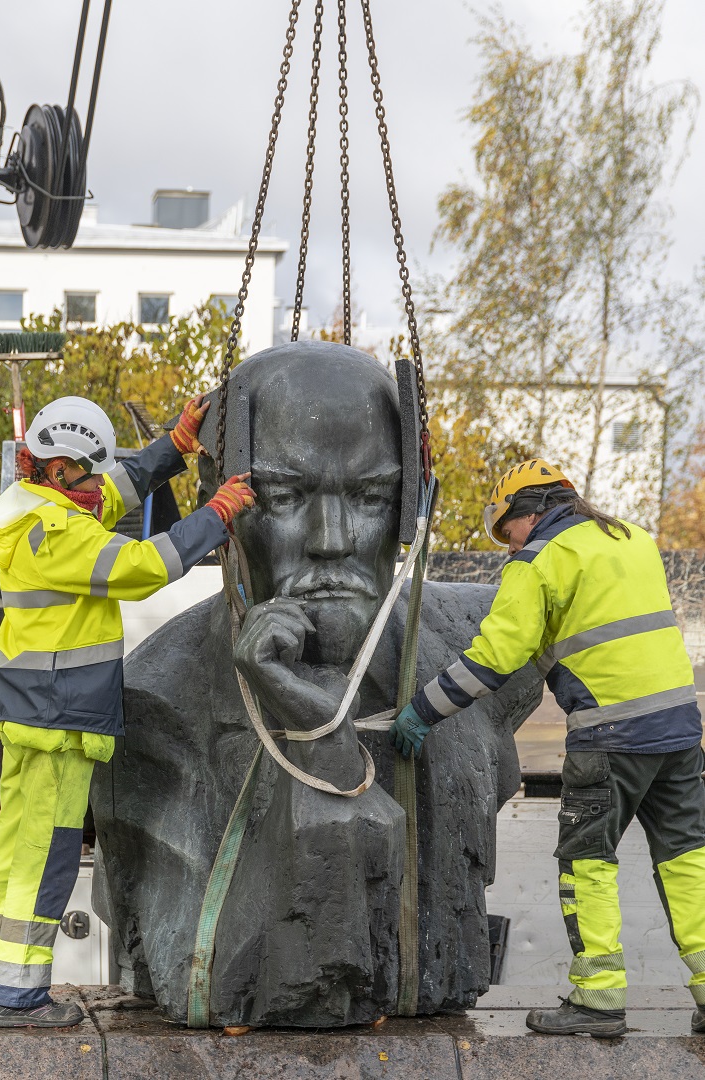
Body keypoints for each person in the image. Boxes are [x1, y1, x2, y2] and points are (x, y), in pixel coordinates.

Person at [90, 341, 542, 1025]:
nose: (332, 539)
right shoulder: (153, 704)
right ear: (224, 506)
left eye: (368, 496)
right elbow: (204, 965)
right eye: (284, 495)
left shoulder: (487, 644)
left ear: (408, 507)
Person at [0, 394, 255, 1029]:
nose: (96, 485)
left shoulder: (42, 509)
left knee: (10, 851)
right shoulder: (55, 534)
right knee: (48, 856)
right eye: (86, 473)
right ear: (58, 469)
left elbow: (116, 488)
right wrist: (215, 515)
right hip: (59, 720)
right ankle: (19, 997)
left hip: (35, 712)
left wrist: (174, 445)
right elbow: (144, 566)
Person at [390, 458, 705, 1039]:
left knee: (587, 861)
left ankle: (599, 998)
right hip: (681, 729)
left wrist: (422, 711)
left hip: (610, 735)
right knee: (687, 859)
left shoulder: (538, 560)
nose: (506, 541)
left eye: (504, 526)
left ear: (528, 511)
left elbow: (494, 655)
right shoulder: (633, 540)